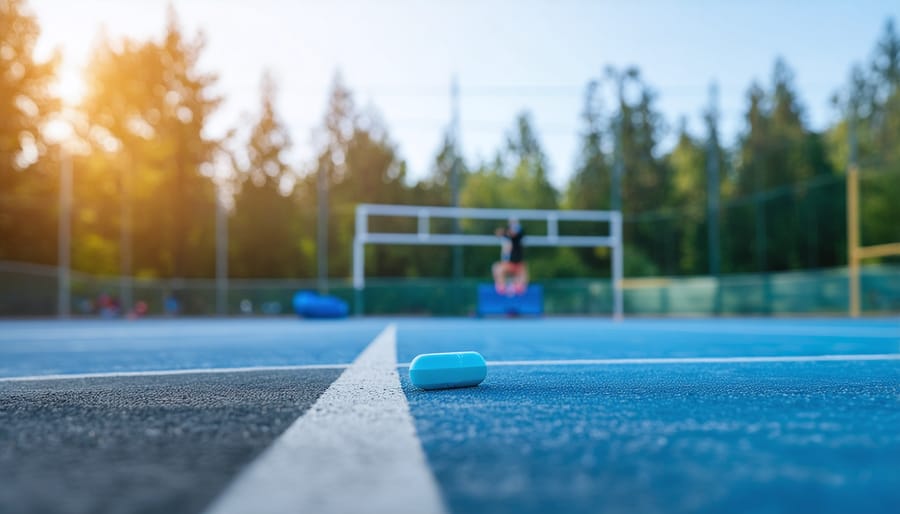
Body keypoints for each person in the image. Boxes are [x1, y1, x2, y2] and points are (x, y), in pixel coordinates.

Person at [492, 218, 528, 295]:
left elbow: (513, 233)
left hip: (517, 263)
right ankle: (503, 286)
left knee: (522, 275)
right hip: (509, 263)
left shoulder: (519, 234)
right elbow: (498, 232)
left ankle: (516, 286)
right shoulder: (507, 237)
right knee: (497, 268)